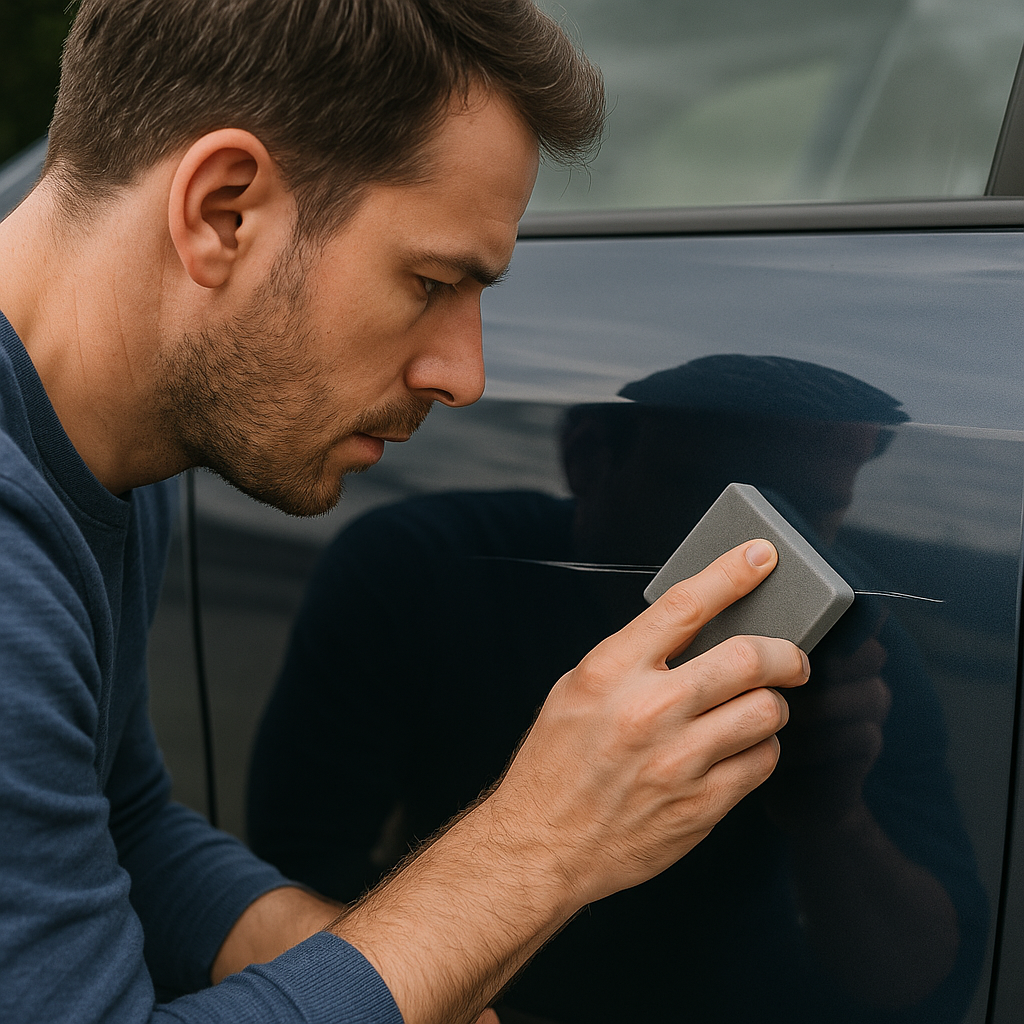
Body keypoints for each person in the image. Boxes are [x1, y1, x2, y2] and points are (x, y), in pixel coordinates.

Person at [0, 4, 809, 1024]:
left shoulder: (107, 444)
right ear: (223, 211)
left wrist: (381, 967)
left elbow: (120, 823)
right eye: (429, 281)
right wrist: (538, 845)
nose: (463, 374)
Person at [248, 357, 988, 1023]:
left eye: (813, 516)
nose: (764, 561)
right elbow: (291, 889)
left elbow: (924, 987)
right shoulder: (422, 568)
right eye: (720, 505)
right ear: (588, 457)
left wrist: (833, 816)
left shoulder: (856, 651)